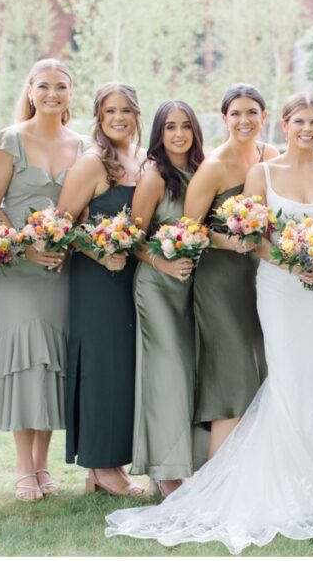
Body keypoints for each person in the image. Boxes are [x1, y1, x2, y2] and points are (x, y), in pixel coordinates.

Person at [105, 92, 313, 553]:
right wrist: (292, 264)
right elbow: (248, 236)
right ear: (287, 123)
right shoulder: (257, 171)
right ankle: (249, 482)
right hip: (273, 287)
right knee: (283, 381)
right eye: (300, 121)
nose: (308, 128)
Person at [0, 58, 85, 502]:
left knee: (51, 364)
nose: (51, 94)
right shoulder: (8, 140)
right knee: (24, 363)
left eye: (60, 86)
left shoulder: (82, 145)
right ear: (28, 90)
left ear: (70, 93)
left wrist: (64, 242)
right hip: (16, 273)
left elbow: (82, 208)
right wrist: (25, 246)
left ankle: (43, 466)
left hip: (60, 270)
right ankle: (23, 468)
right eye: (43, 86)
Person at [57, 82, 146, 497]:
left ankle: (114, 463)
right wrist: (99, 253)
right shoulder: (92, 163)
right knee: (100, 366)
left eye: (126, 110)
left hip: (131, 279)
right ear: (98, 116)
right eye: (110, 111)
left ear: (137, 115)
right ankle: (99, 464)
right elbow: (62, 225)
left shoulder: (141, 159)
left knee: (123, 368)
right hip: (96, 280)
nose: (118, 118)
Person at [183, 84, 279, 459]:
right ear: (224, 118)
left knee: (260, 371)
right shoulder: (213, 167)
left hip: (264, 278)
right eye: (236, 113)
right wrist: (227, 241)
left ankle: (249, 473)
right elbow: (188, 229)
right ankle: (214, 477)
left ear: (264, 117)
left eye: (251, 112)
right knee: (233, 372)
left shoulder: (271, 157)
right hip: (220, 282)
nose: (244, 120)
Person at [128, 100, 206, 497]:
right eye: (170, 127)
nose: (179, 134)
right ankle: (162, 469)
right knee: (167, 372)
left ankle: (187, 462)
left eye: (186, 126)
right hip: (157, 287)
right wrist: (164, 266)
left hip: (193, 288)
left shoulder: (200, 170)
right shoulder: (155, 175)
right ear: (159, 133)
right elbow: (133, 238)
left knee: (189, 372)